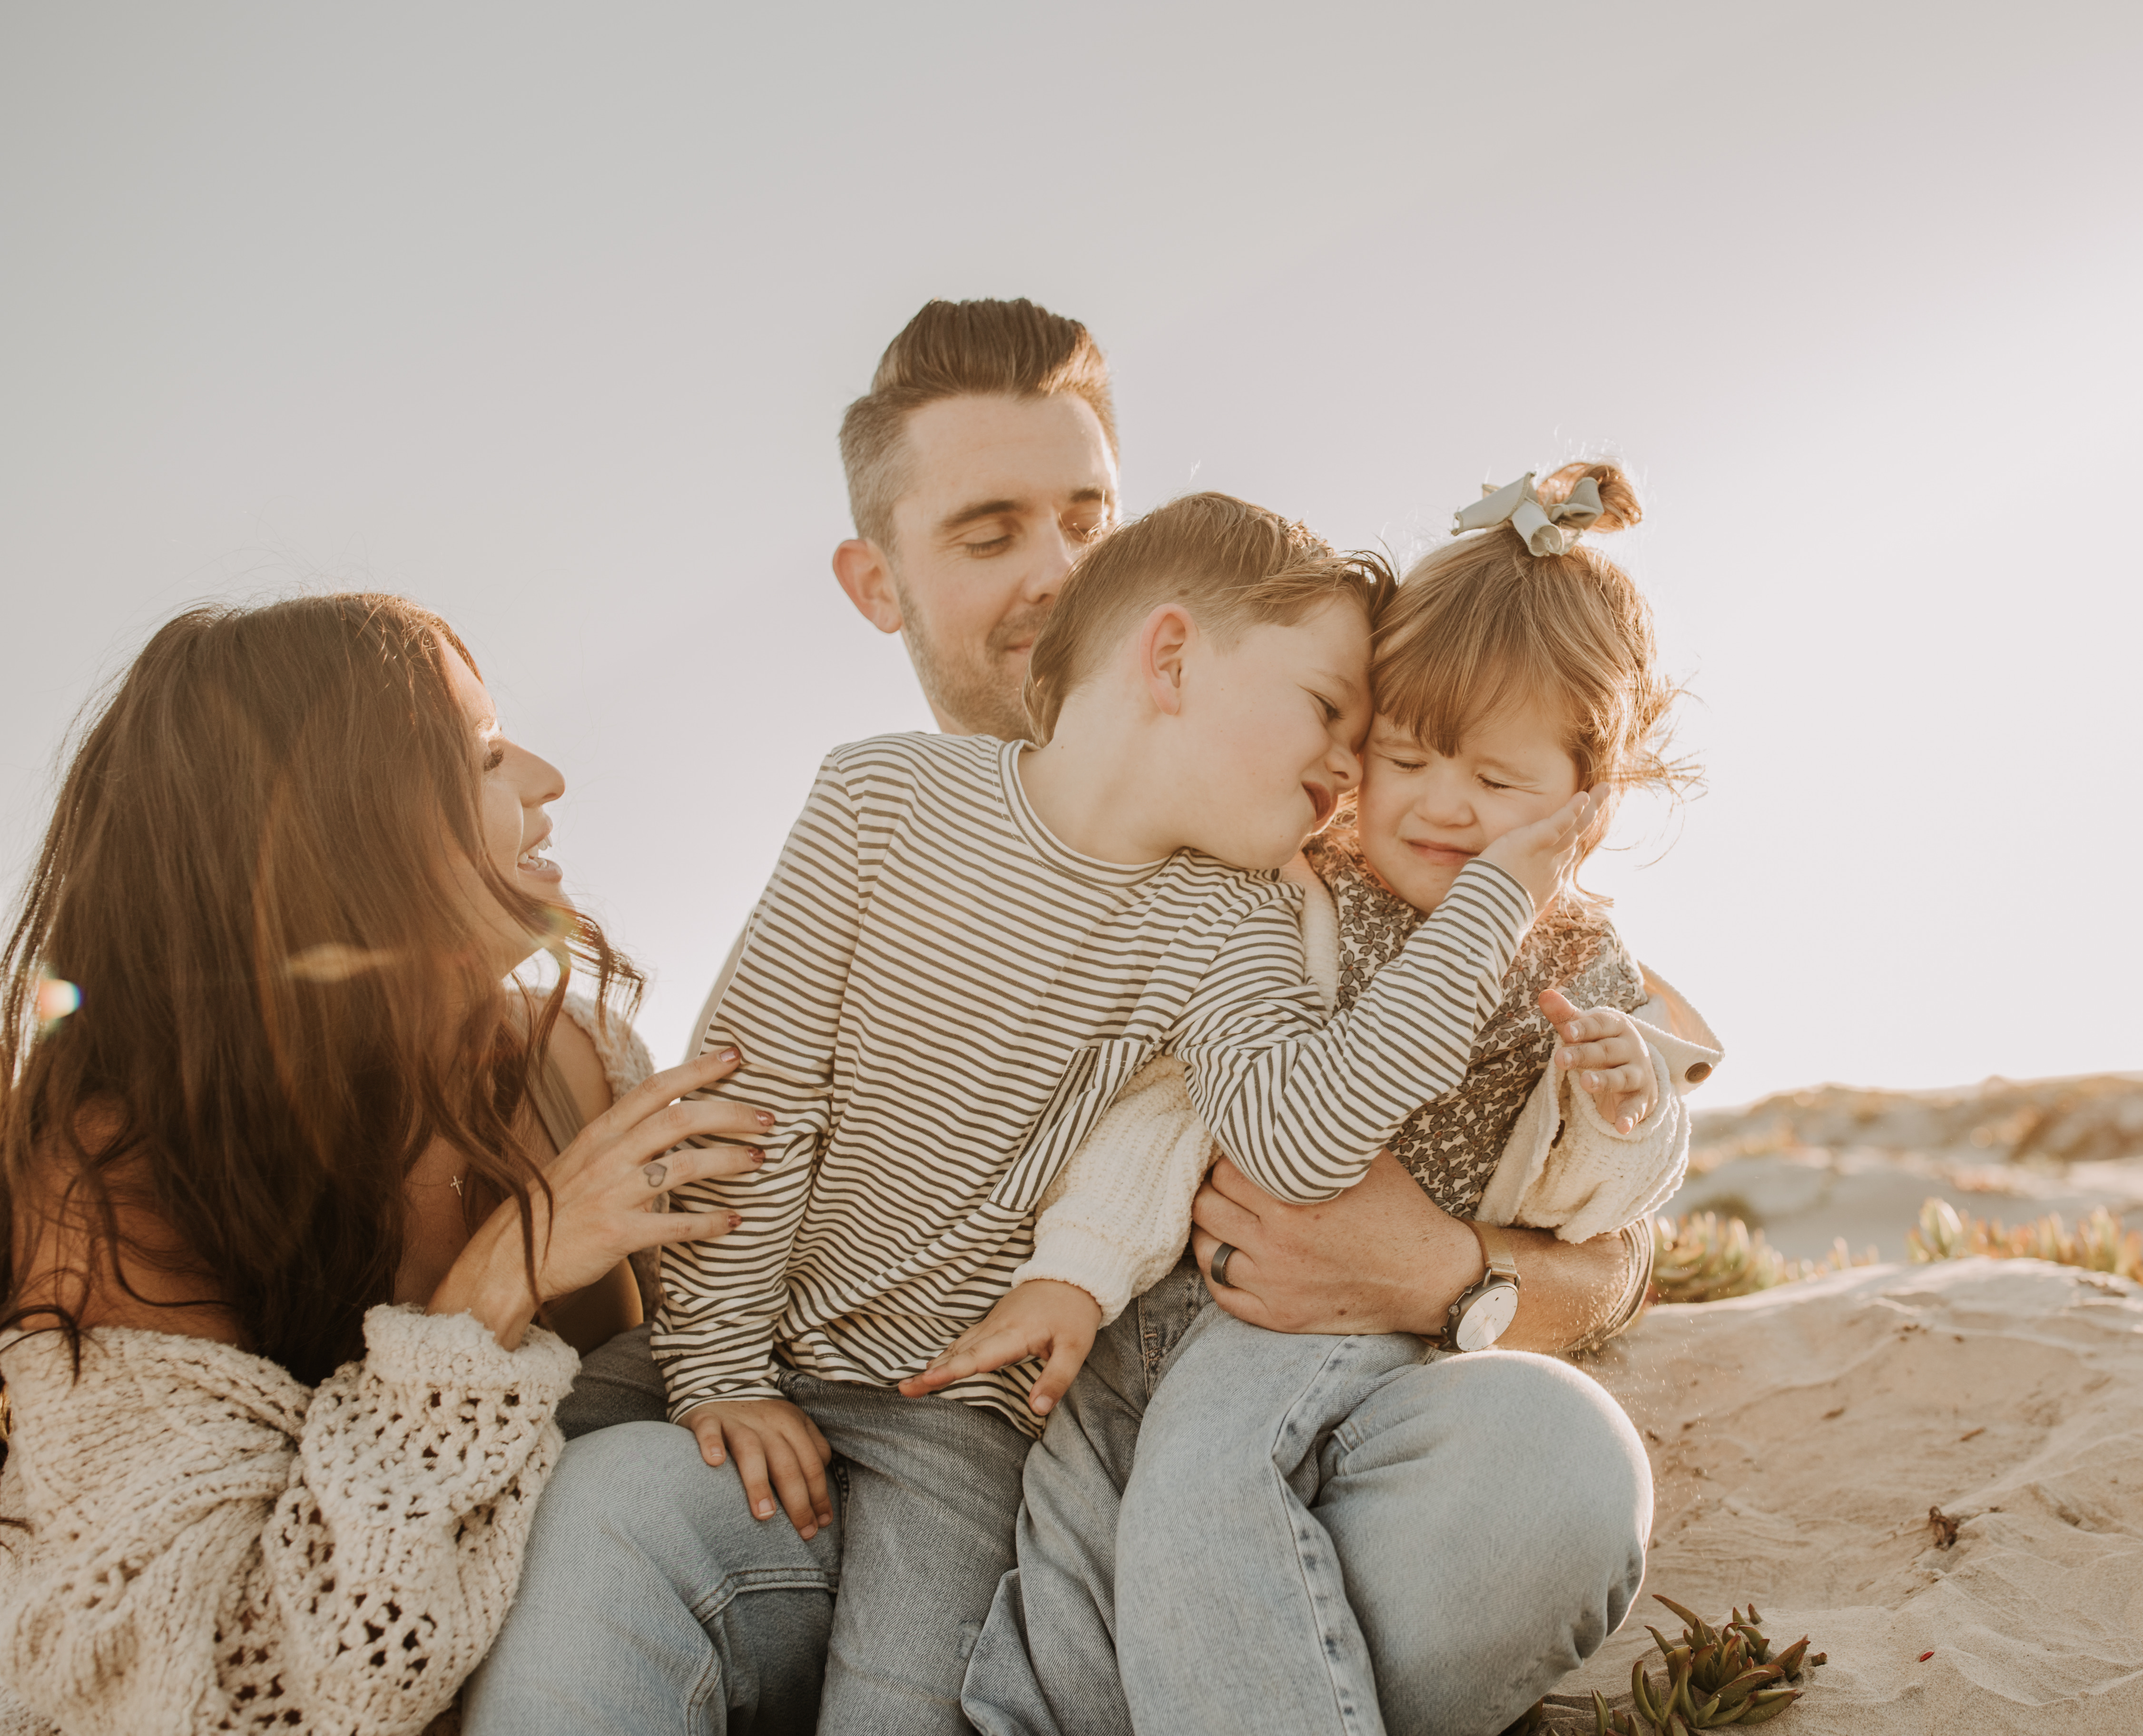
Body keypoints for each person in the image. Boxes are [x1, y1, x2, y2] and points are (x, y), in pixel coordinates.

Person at [468, 298, 1677, 1734]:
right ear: (879, 579)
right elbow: (755, 1096)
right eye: (989, 533)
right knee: (592, 1487)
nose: (1056, 569)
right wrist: (718, 1366)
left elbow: (1604, 1170)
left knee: (1548, 1470)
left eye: (1090, 514)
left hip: (1070, 1446)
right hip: (816, 1423)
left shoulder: (1311, 864)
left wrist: (1455, 1270)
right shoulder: (884, 806)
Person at [953, 462, 1713, 1736]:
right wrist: (1083, 1269)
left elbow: (1613, 1214)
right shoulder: (1290, 889)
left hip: (1344, 1337)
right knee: (1079, 1539)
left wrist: (1630, 1113)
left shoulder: (1583, 965)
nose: (1445, 804)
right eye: (1405, 755)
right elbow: (1169, 1103)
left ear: (1590, 797)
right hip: (1169, 1303)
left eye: (1498, 782)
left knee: (1209, 1483)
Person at [0, 593, 763, 1735]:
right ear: (331, 826)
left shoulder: (570, 1061)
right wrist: (489, 1293)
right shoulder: (121, 1170)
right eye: (485, 754)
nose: (548, 779)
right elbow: (210, 1689)